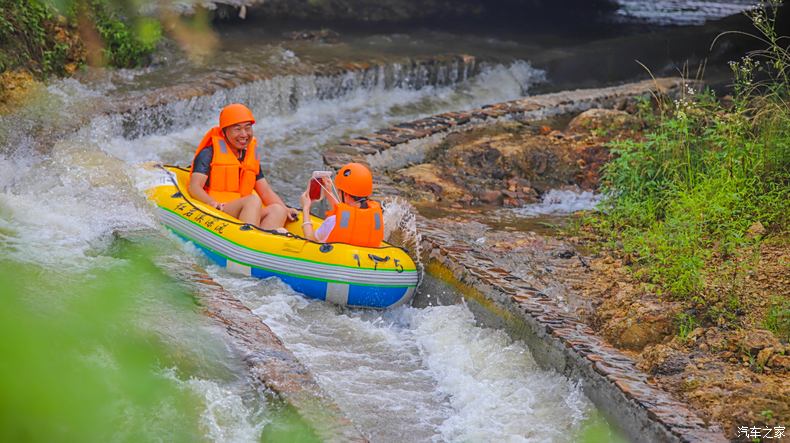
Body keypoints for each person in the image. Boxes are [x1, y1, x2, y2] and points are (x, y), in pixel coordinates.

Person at [188, 103, 298, 230]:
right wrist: (211, 203)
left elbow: (265, 190)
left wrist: (285, 209)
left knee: (278, 210)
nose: (244, 134)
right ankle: (250, 238)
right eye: (237, 129)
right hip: (220, 209)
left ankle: (263, 242)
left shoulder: (249, 155)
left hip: (244, 210)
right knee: (252, 200)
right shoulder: (209, 153)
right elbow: (194, 187)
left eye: (248, 128)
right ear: (224, 132)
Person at [300, 163, 384, 247]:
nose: (338, 194)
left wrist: (306, 208)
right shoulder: (375, 217)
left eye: (339, 191)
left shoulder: (331, 221)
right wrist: (328, 192)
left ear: (346, 195)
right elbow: (346, 216)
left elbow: (311, 239)